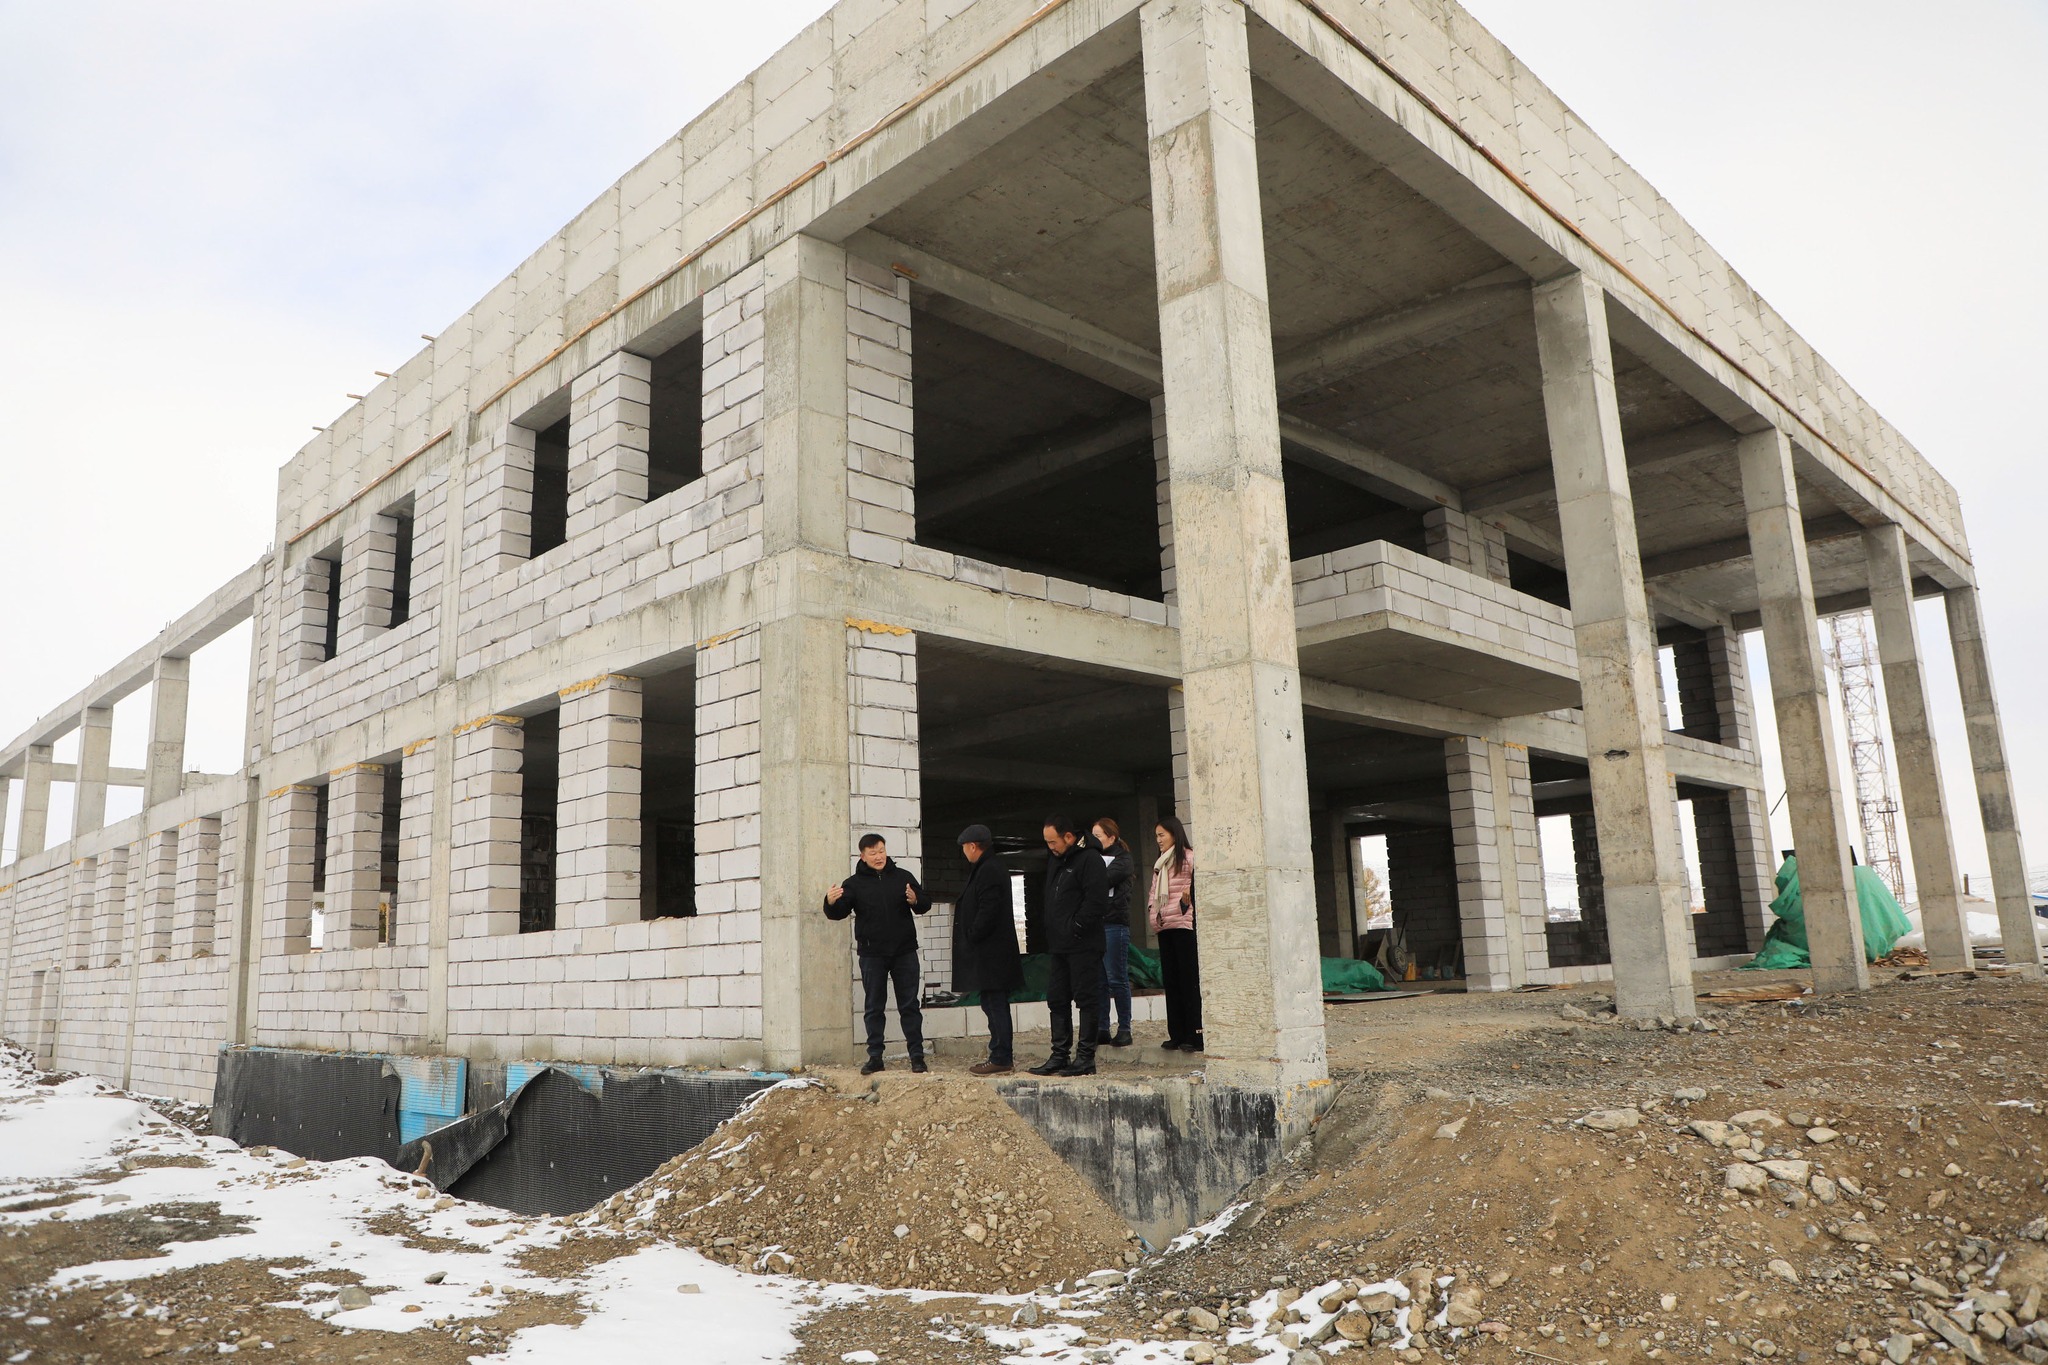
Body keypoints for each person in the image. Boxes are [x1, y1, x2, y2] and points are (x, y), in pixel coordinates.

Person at [823, 833, 929, 1076]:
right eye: (873, 853)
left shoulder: (903, 877)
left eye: (881, 851)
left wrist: (916, 900)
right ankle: (875, 1057)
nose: (879, 856)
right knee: (873, 1007)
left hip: (904, 952)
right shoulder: (853, 884)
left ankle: (917, 1056)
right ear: (863, 856)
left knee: (909, 1005)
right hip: (872, 955)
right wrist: (830, 902)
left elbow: (924, 904)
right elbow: (838, 913)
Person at [1029, 814, 1109, 1077]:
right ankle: (1059, 1056)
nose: (1050, 847)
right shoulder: (1056, 860)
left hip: (1083, 944)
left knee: (1086, 998)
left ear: (1069, 837)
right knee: (1057, 998)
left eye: (1053, 841)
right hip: (1059, 945)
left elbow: (1096, 902)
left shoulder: (1090, 860)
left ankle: (1085, 1058)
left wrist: (1075, 927)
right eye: (1047, 842)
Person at [952, 824, 1023, 1075]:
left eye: (964, 848)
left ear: (973, 846)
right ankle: (999, 1054)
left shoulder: (989, 869)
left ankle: (1001, 1057)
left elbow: (988, 909)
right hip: (990, 953)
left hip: (992, 953)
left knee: (995, 1003)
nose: (964, 853)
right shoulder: (987, 867)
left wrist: (972, 934)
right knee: (991, 1002)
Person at [1148, 814, 1202, 1052]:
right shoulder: (1160, 864)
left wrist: (1186, 901)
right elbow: (1153, 894)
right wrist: (1153, 914)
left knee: (1188, 980)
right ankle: (1177, 1034)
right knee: (1171, 982)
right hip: (1165, 926)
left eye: (1162, 835)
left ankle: (1195, 1035)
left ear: (1174, 834)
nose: (1158, 840)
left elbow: (1197, 887)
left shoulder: (1189, 857)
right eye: (1156, 836)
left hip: (1183, 924)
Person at [1090, 818, 1134, 1049]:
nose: (1094, 840)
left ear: (1111, 837)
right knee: (1099, 981)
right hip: (1096, 925)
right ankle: (1102, 1028)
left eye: (1098, 836)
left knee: (1117, 978)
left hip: (1115, 924)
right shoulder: (1091, 858)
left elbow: (1100, 880)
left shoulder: (1123, 859)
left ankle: (1125, 1028)